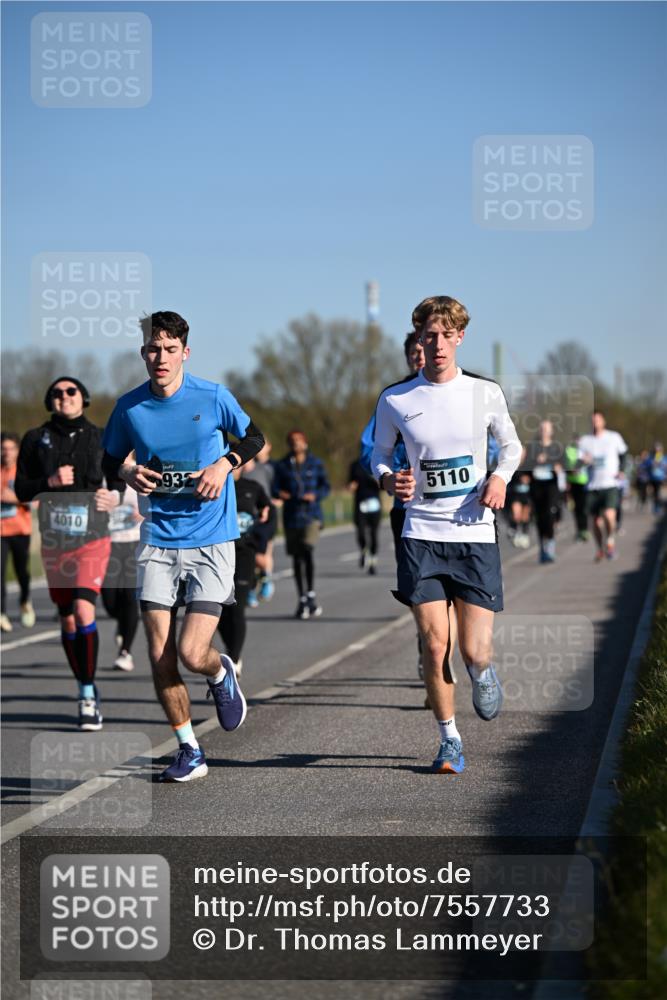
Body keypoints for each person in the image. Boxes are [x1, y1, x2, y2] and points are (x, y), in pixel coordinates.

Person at [102, 311, 264, 782]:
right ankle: (189, 749)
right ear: (143, 353)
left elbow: (254, 437)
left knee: (193, 653)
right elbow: (110, 459)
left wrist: (225, 464)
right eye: (153, 349)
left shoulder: (213, 396)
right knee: (159, 652)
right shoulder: (129, 408)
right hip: (157, 539)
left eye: (170, 349)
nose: (161, 357)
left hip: (212, 538)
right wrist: (128, 473)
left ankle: (218, 673)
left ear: (184, 353)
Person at [371, 295, 521, 774]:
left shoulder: (485, 392)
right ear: (418, 339)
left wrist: (499, 478)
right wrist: (389, 478)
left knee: (473, 648)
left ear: (459, 337)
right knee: (435, 645)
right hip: (421, 534)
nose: (435, 344)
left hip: (474, 534)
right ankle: (449, 740)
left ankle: (482, 670)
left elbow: (512, 446)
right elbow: (378, 454)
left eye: (444, 335)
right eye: (427, 336)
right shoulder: (396, 399)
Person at [15, 377, 121, 730]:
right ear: (50, 400)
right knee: (68, 619)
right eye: (57, 393)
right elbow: (20, 491)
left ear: (83, 397)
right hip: (54, 540)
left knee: (82, 608)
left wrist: (116, 496)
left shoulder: (102, 436)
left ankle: (88, 695)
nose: (64, 397)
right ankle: (83, 683)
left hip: (93, 537)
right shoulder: (35, 439)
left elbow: (120, 475)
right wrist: (50, 483)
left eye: (71, 391)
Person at [217, 459, 271, 673]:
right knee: (218, 609)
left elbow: (268, 514)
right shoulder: (213, 487)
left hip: (244, 554)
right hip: (217, 554)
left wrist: (261, 541)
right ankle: (230, 649)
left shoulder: (253, 488)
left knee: (237, 607)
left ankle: (235, 658)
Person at [273, 430, 330, 620]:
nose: (295, 444)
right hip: (292, 515)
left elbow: (325, 486)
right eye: (292, 442)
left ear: (305, 443)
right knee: (297, 557)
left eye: (298, 441)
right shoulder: (282, 465)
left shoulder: (316, 463)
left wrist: (316, 496)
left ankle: (311, 591)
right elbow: (275, 487)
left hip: (311, 515)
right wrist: (281, 494)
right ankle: (303, 597)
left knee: (307, 548)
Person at [100, 477, 142, 671]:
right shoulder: (101, 480)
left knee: (130, 598)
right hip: (107, 546)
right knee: (109, 601)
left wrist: (143, 514)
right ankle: (121, 622)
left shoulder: (139, 474)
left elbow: (154, 506)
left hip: (135, 545)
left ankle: (125, 651)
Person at [578, 411, 628, 561]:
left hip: (610, 484)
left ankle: (610, 541)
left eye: (598, 420)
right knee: (596, 522)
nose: (595, 423)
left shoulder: (614, 437)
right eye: (592, 421)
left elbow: (623, 454)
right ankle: (600, 548)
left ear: (603, 421)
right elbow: (578, 461)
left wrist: (621, 470)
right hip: (593, 486)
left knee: (609, 515)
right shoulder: (584, 440)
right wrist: (583, 461)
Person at [1, 432, 35, 632]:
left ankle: (25, 599)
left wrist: (12, 498)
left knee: (22, 571)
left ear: (17, 450)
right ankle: (1, 613)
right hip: (0, 532)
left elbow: (36, 499)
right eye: (3, 449)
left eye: (10, 448)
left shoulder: (24, 471)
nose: (6, 453)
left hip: (21, 529)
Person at [241, 438, 278, 604]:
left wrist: (275, 500)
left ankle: (265, 579)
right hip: (245, 517)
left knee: (262, 553)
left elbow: (276, 487)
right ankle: (250, 586)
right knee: (248, 555)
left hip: (265, 514)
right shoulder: (237, 468)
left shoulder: (266, 468)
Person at [525, 420, 563, 564]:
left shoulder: (556, 447)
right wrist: (535, 462)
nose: (544, 431)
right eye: (542, 428)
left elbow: (564, 463)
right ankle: (542, 549)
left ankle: (551, 549)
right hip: (536, 487)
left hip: (551, 486)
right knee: (539, 519)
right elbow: (526, 466)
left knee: (550, 516)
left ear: (551, 431)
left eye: (547, 429)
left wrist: (555, 464)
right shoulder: (533, 447)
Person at [347, 454, 382, 574]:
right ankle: (363, 550)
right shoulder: (355, 465)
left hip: (374, 504)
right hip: (360, 503)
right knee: (361, 532)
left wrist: (379, 482)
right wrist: (351, 486)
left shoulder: (378, 464)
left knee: (373, 534)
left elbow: (385, 485)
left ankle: (372, 562)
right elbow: (350, 483)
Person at [564, 435, 589, 541]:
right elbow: (565, 465)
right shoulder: (569, 450)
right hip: (572, 482)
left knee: (584, 507)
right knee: (576, 508)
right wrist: (571, 471)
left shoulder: (587, 449)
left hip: (585, 482)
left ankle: (585, 530)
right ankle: (579, 530)